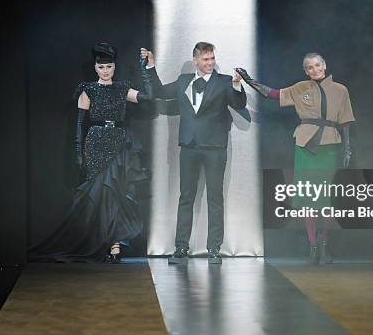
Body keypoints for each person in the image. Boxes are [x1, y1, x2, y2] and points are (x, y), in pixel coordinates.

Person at [29, 41, 153, 263]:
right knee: (97, 196)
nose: (105, 71)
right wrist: (79, 153)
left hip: (119, 144)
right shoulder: (89, 89)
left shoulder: (122, 88)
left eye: (109, 67)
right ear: (95, 68)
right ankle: (99, 242)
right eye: (101, 68)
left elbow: (149, 98)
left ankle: (114, 245)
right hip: (95, 144)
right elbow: (79, 124)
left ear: (114, 67)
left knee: (116, 195)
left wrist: (145, 70)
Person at [236, 53, 354, 264]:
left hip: (328, 147)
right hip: (305, 146)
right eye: (310, 67)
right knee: (308, 197)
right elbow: (272, 94)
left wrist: (347, 149)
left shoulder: (341, 90)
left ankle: (324, 243)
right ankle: (313, 246)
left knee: (326, 199)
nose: (315, 69)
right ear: (306, 71)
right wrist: (249, 81)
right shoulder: (301, 87)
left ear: (324, 66)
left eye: (318, 65)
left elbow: (345, 121)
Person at [143, 42, 246, 264]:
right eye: (206, 59)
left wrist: (237, 85)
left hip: (215, 148)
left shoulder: (225, 81)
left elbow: (239, 103)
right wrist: (150, 67)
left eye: (212, 59)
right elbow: (160, 92)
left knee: (215, 198)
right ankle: (181, 248)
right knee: (186, 197)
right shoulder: (183, 81)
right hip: (189, 147)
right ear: (195, 61)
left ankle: (214, 249)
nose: (210, 63)